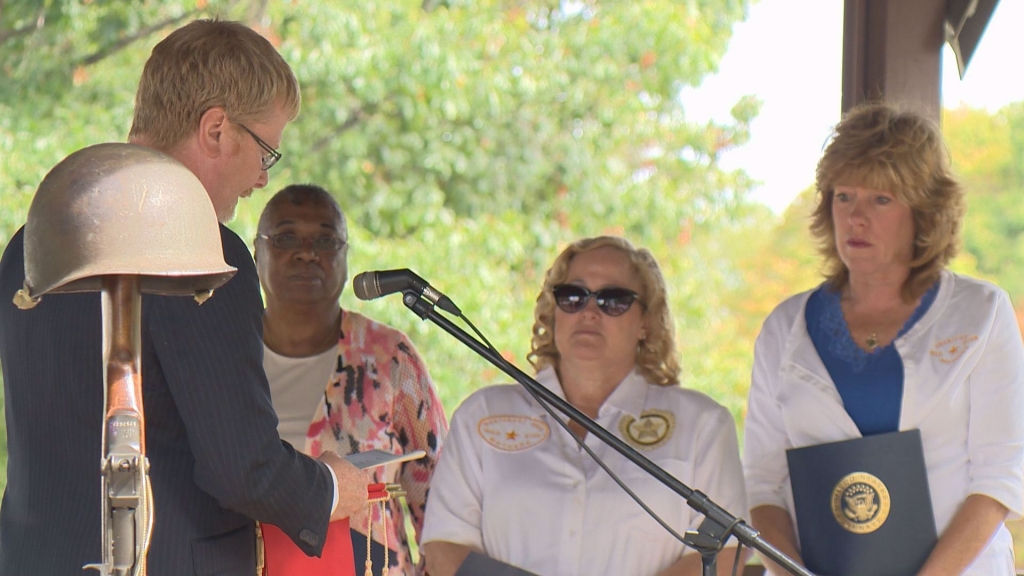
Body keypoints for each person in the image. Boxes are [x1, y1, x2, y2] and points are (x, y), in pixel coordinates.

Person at [0, 19, 369, 575]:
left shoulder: (30, 240)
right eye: (266, 151)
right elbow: (241, 468)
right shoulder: (204, 250)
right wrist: (329, 489)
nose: (262, 180)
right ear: (217, 129)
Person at [743, 102, 1024, 575]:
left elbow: (1001, 477)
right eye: (844, 196)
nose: (856, 218)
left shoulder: (982, 312)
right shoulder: (783, 328)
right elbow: (761, 485)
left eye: (881, 200)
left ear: (925, 212)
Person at [420, 235, 749, 576]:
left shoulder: (702, 425)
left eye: (613, 300)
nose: (590, 312)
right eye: (573, 297)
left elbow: (724, 555)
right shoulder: (483, 414)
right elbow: (445, 545)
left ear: (646, 322)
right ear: (553, 311)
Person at [255, 184, 449, 575]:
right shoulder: (224, 356)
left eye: (326, 240)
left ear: (345, 255)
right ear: (256, 251)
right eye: (286, 236)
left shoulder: (388, 356)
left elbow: (441, 501)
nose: (307, 252)